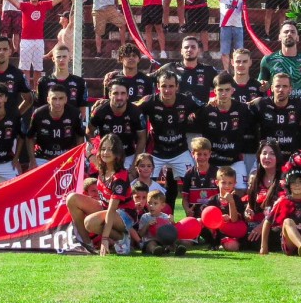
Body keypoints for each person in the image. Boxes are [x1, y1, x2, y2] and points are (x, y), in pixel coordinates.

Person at [136, 70, 198, 209]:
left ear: (177, 87)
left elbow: (205, 108)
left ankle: (196, 219)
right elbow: (131, 107)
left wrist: (195, 117)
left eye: (171, 86)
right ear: (158, 86)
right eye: (164, 86)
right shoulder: (149, 101)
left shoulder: (187, 101)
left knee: (195, 184)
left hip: (180, 151)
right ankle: (143, 220)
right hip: (156, 151)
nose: (167, 90)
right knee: (144, 187)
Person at [66, 134, 136, 255]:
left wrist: (105, 239)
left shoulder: (120, 177)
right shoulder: (103, 168)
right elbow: (94, 160)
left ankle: (121, 238)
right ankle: (88, 245)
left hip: (125, 215)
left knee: (89, 222)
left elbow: (112, 210)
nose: (105, 152)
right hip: (105, 207)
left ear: (117, 153)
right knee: (71, 198)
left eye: (110, 149)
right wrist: (88, 153)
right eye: (103, 149)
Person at [0, 0, 70, 90]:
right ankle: (27, 89)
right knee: (25, 68)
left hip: (38, 41)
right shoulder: (25, 5)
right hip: (26, 41)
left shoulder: (43, 5)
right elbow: (14, 1)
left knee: (38, 68)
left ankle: (37, 90)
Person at [194, 73, 254, 191]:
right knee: (210, 194)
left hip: (235, 161)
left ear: (232, 90)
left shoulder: (243, 109)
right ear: (214, 91)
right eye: (220, 90)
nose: (223, 93)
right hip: (213, 162)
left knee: (241, 191)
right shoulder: (206, 110)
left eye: (227, 90)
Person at [205, 0, 262, 70]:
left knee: (239, 51)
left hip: (237, 27)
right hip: (225, 27)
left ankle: (237, 70)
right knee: (224, 51)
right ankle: (226, 70)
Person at [87, 79, 147, 170]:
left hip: (128, 155)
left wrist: (135, 166)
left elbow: (142, 138)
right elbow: (89, 132)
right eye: (115, 93)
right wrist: (97, 152)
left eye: (123, 93)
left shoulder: (136, 113)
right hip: (106, 156)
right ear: (110, 95)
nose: (119, 97)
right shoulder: (99, 111)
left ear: (127, 95)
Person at [249, 73, 301, 159]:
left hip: (290, 158)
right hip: (268, 157)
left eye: (285, 86)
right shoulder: (261, 103)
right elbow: (242, 108)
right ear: (272, 88)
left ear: (290, 89)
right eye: (277, 86)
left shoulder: (299, 104)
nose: (281, 90)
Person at [26, 84, 85, 168]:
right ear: (48, 100)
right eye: (54, 98)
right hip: (42, 157)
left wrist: (77, 156)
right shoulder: (38, 114)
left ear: (66, 100)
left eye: (61, 99)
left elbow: (80, 136)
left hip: (67, 157)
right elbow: (29, 137)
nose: (57, 103)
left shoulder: (74, 114)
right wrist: (32, 160)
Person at [257, 20, 301, 99]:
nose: (289, 34)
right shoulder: (268, 60)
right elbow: (261, 85)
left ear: (297, 37)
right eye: (286, 32)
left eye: (293, 32)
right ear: (279, 37)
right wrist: (265, 85)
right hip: (278, 106)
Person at [155, 36, 219, 107]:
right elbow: (147, 79)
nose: (189, 49)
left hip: (200, 113)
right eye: (186, 47)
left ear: (199, 50)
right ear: (181, 51)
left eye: (193, 47)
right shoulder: (170, 67)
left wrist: (216, 98)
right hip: (176, 114)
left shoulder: (209, 70)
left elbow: (225, 86)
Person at [244, 139, 284, 251]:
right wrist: (248, 211)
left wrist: (262, 226)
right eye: (264, 153)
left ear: (278, 157)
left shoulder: (283, 179)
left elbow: (281, 209)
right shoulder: (256, 178)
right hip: (256, 223)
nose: (267, 157)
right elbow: (250, 205)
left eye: (272, 154)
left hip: (275, 224)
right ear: (259, 156)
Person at [36, 44, 88, 118]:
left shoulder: (79, 82)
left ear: (69, 58)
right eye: (58, 57)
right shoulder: (43, 82)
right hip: (49, 125)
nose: (61, 59)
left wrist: (77, 125)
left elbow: (82, 108)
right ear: (53, 59)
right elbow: (39, 107)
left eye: (64, 56)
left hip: (71, 126)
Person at [203, 166, 246, 251]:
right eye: (223, 182)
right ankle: (212, 242)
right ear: (217, 182)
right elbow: (207, 219)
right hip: (216, 232)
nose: (227, 186)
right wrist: (219, 219)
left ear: (235, 184)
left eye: (230, 183)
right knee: (199, 221)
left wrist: (231, 202)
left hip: (231, 233)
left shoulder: (237, 199)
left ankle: (222, 244)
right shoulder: (212, 200)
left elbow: (234, 220)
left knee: (232, 246)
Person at [138, 190, 186, 256]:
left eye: (155, 203)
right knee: (151, 244)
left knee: (172, 241)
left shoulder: (165, 217)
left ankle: (177, 249)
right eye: (149, 203)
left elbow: (172, 232)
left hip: (163, 241)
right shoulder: (145, 217)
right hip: (149, 240)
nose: (151, 206)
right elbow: (140, 234)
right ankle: (155, 250)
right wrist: (147, 225)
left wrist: (172, 222)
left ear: (162, 205)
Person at [180, 138, 218, 219]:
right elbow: (185, 199)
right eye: (199, 154)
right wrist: (187, 210)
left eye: (205, 154)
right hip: (195, 217)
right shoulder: (189, 174)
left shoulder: (217, 172)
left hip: (213, 216)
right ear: (193, 154)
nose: (202, 157)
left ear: (210, 154)